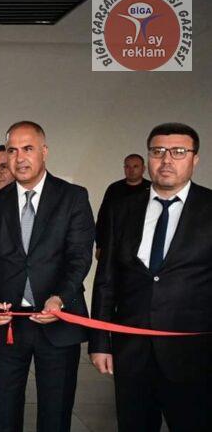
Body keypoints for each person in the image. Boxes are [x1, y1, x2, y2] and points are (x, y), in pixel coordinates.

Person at [90, 123, 212, 432]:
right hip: (132, 352)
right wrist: (100, 342)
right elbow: (106, 279)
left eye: (178, 152)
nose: (167, 160)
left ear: (195, 159)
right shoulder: (122, 209)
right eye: (158, 152)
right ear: (148, 158)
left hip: (193, 354)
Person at [0, 121, 95, 431]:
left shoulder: (72, 197)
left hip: (57, 320)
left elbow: (79, 257)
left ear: (44, 151)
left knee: (55, 414)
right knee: (2, 413)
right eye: (12, 150)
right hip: (8, 323)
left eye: (27, 148)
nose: (19, 157)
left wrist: (60, 298)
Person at [94, 153, 151, 259]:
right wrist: (99, 245)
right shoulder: (114, 189)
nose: (131, 170)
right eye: (127, 166)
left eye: (135, 166)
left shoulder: (151, 189)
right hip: (114, 245)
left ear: (143, 169)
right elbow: (103, 218)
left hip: (142, 247)